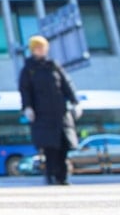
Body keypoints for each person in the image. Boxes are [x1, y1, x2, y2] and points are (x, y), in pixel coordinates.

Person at [19, 35, 81, 186]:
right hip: (42, 115)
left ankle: (62, 177)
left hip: (61, 114)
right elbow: (25, 90)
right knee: (50, 148)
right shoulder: (28, 69)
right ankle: (51, 175)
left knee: (64, 146)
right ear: (33, 50)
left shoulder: (54, 66)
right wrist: (27, 107)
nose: (41, 50)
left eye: (43, 47)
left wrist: (75, 102)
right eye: (37, 48)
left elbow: (67, 84)